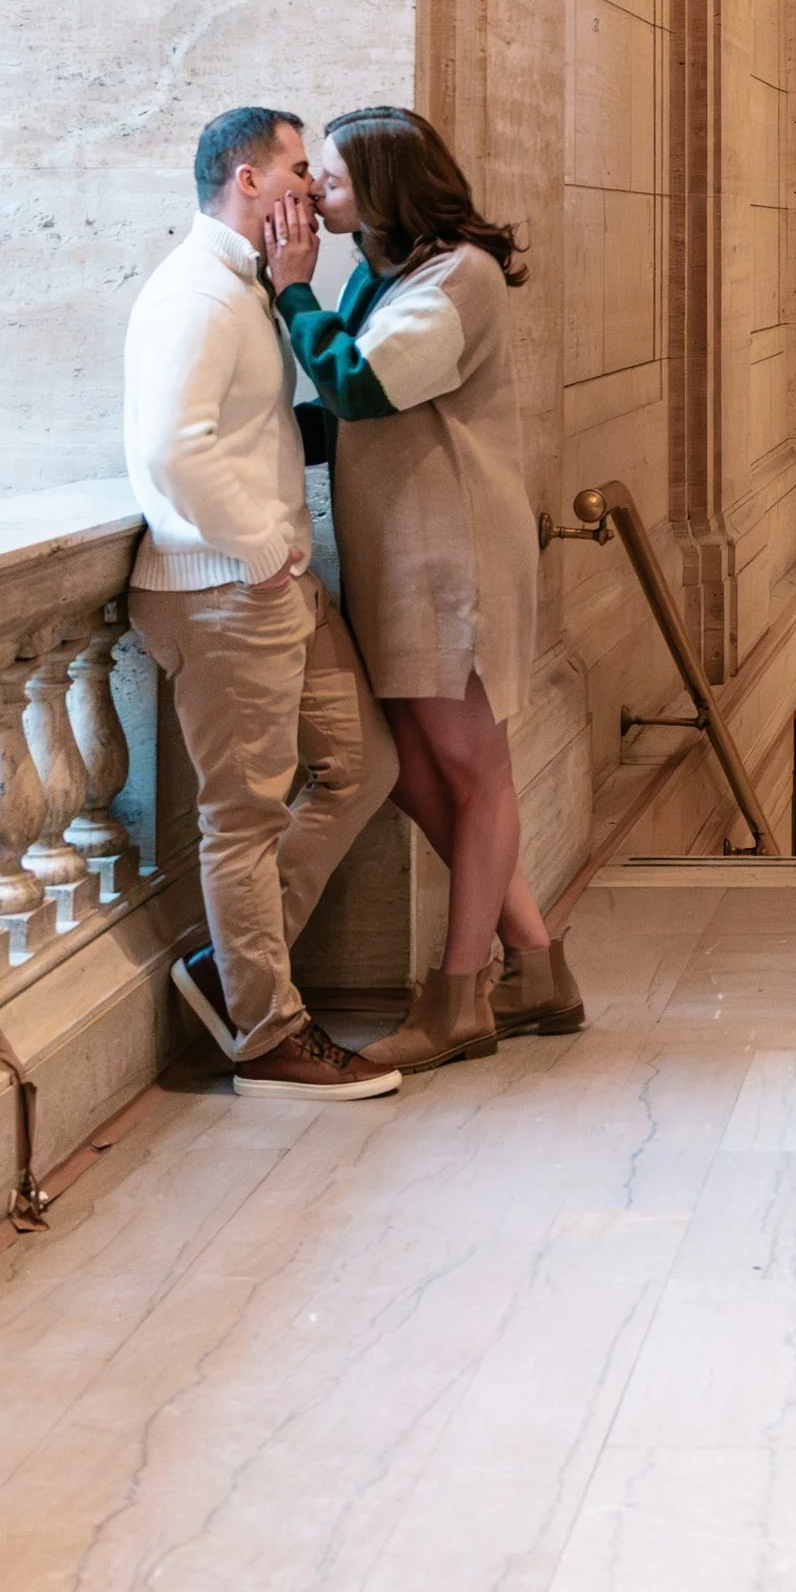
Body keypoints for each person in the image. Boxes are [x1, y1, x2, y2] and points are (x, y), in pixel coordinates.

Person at [266, 106, 583, 1072]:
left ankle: (460, 1004)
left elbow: (359, 385)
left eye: (330, 176)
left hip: (452, 558)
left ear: (385, 180)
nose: (315, 191)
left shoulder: (461, 275)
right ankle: (532, 965)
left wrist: (291, 292)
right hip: (401, 550)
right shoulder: (387, 268)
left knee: (471, 766)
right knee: (409, 763)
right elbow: (344, 418)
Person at [121, 106, 403, 1100]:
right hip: (224, 590)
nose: (314, 191)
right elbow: (170, 448)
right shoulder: (195, 292)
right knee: (241, 817)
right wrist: (264, 552)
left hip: (275, 585)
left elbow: (248, 430)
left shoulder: (246, 287)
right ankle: (267, 1031)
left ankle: (233, 968)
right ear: (248, 182)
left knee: (365, 765)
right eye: (296, 169)